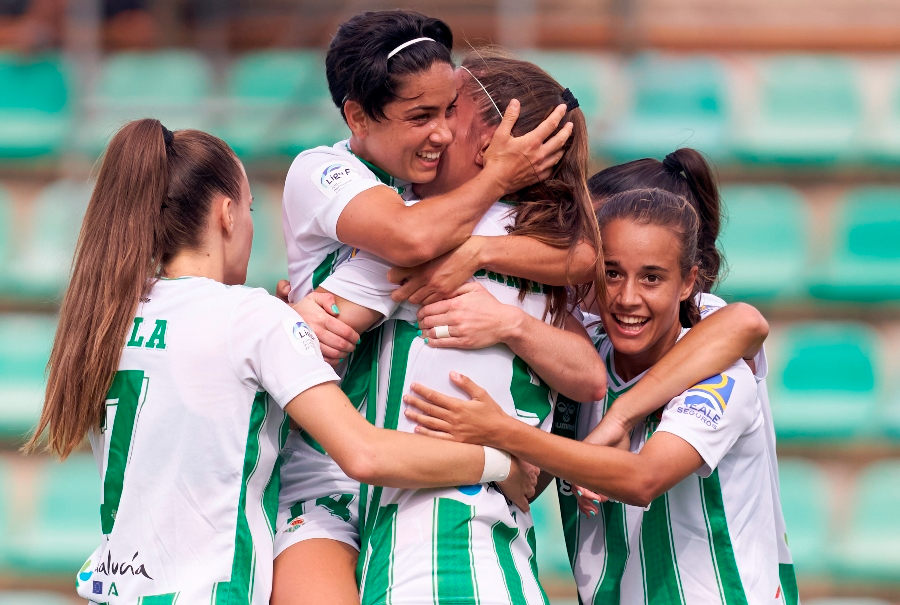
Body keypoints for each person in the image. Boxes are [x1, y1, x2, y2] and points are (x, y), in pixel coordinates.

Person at [24, 119, 533, 605]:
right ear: (226, 214)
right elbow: (366, 455)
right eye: (248, 209)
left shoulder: (103, 319)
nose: (249, 224)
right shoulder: (253, 318)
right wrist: (498, 459)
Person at [273, 11, 586, 605]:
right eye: (421, 116)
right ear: (357, 117)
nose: (441, 133)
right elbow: (409, 241)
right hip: (322, 477)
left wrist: (481, 257)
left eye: (448, 112)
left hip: (421, 478)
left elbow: (585, 256)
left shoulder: (459, 207)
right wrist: (280, 315)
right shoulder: (324, 171)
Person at [405, 188, 787, 604]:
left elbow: (643, 479)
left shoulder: (722, 378)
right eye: (612, 273)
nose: (627, 297)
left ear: (688, 282)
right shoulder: (580, 362)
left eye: (652, 278)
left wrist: (502, 432)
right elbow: (529, 484)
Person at [569, 149, 798, 603]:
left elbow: (746, 322)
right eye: (607, 265)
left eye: (592, 238)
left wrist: (619, 419)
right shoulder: (590, 335)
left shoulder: (703, 323)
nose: (583, 256)